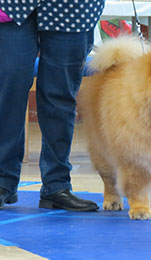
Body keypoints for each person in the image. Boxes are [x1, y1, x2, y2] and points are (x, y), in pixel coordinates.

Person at [0, 0, 104, 211]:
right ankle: (3, 181)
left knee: (60, 95)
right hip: (11, 4)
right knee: (9, 87)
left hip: (74, 6)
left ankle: (56, 186)